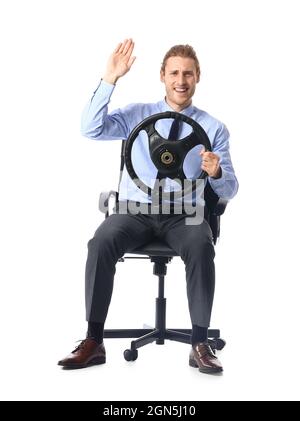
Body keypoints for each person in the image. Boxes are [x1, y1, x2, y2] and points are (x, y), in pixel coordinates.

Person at [58, 39, 238, 374]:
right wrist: (109, 79)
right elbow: (90, 128)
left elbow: (231, 188)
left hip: (185, 215)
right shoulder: (137, 115)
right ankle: (94, 340)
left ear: (198, 76)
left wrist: (216, 172)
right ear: (162, 76)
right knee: (100, 243)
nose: (180, 80)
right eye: (174, 73)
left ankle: (200, 342)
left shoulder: (214, 128)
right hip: (133, 212)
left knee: (201, 245)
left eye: (187, 73)